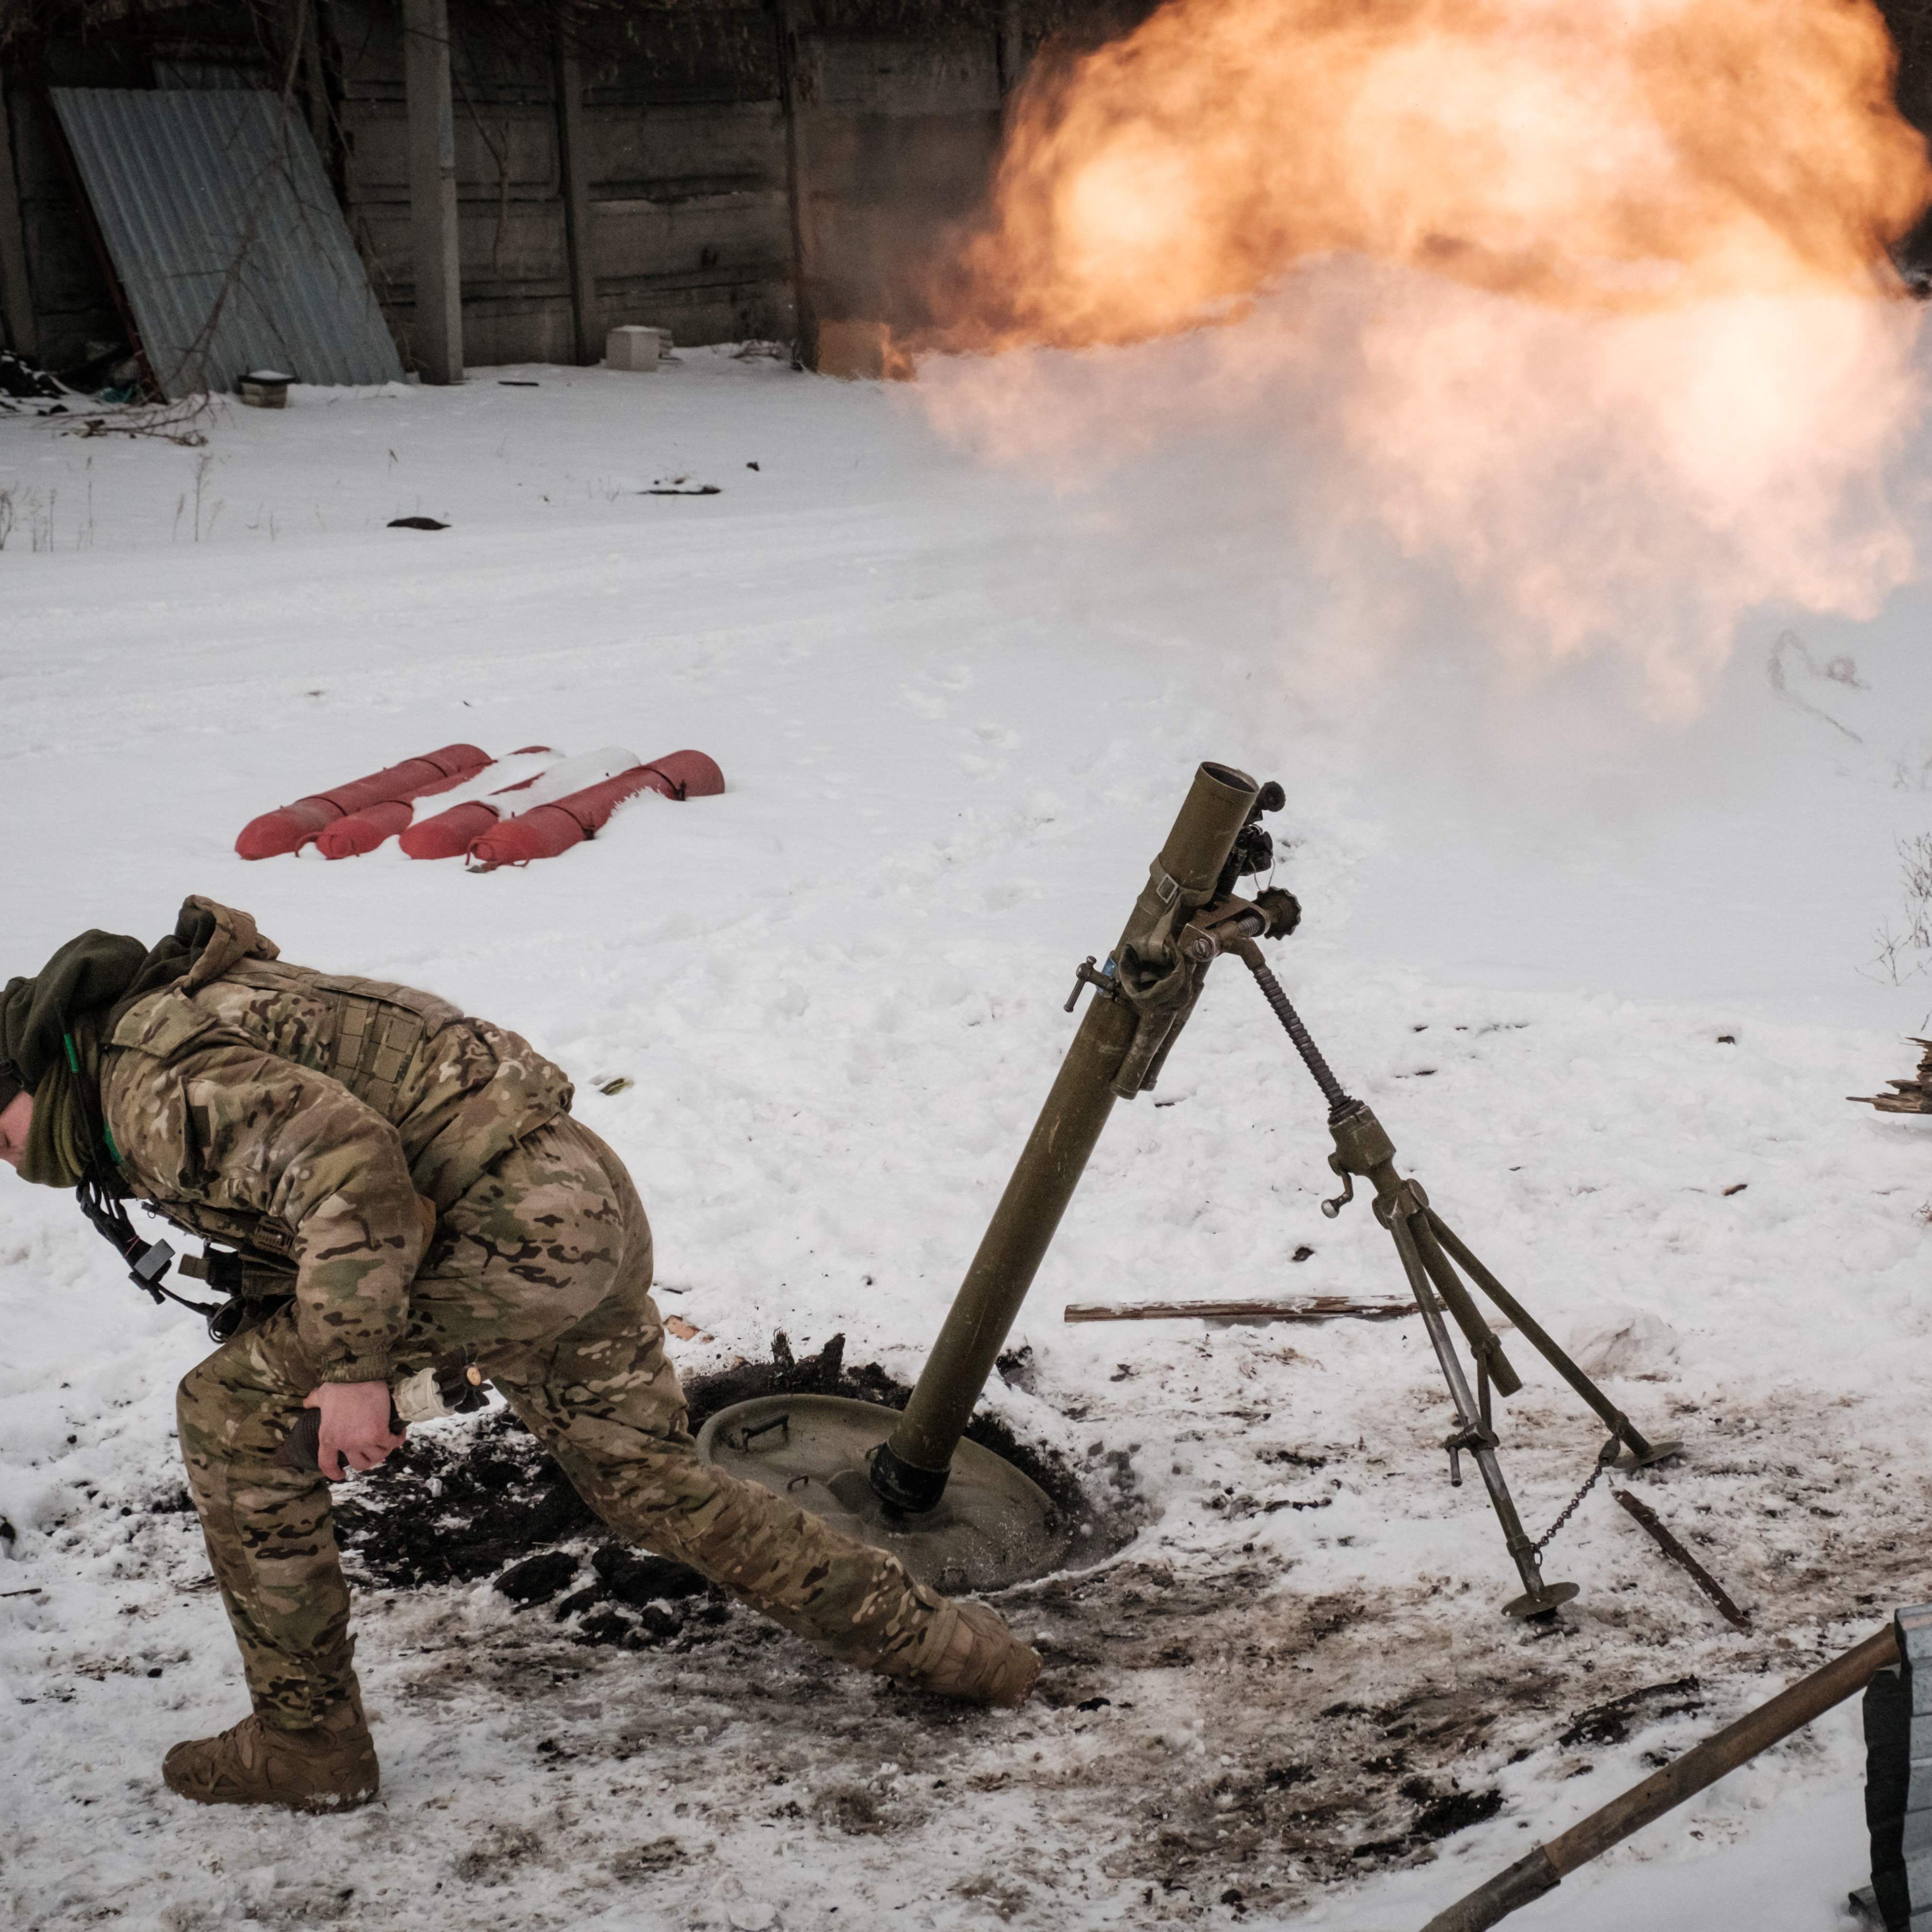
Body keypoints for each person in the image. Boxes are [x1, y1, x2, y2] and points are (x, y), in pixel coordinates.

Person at [0, 898, 1037, 1814]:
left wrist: (357, 1371)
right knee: (655, 1487)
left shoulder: (145, 1084)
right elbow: (314, 1182)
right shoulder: (172, 1020)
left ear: (30, 1071)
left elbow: (350, 1170)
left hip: (506, 1233)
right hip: (578, 1204)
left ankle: (307, 1743)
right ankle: (969, 1657)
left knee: (227, 1415)